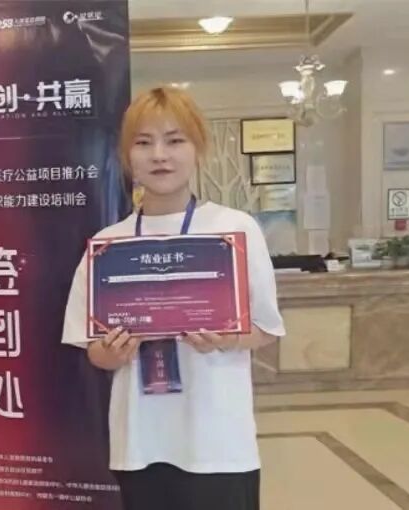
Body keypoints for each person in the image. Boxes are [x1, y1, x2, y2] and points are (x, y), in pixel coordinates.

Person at [61, 86, 286, 510]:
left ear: (197, 148)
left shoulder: (235, 229)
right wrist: (113, 353)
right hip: (140, 441)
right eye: (144, 143)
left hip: (218, 441)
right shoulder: (108, 245)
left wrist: (228, 338)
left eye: (175, 140)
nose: (159, 155)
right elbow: (93, 351)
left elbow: (267, 329)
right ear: (127, 156)